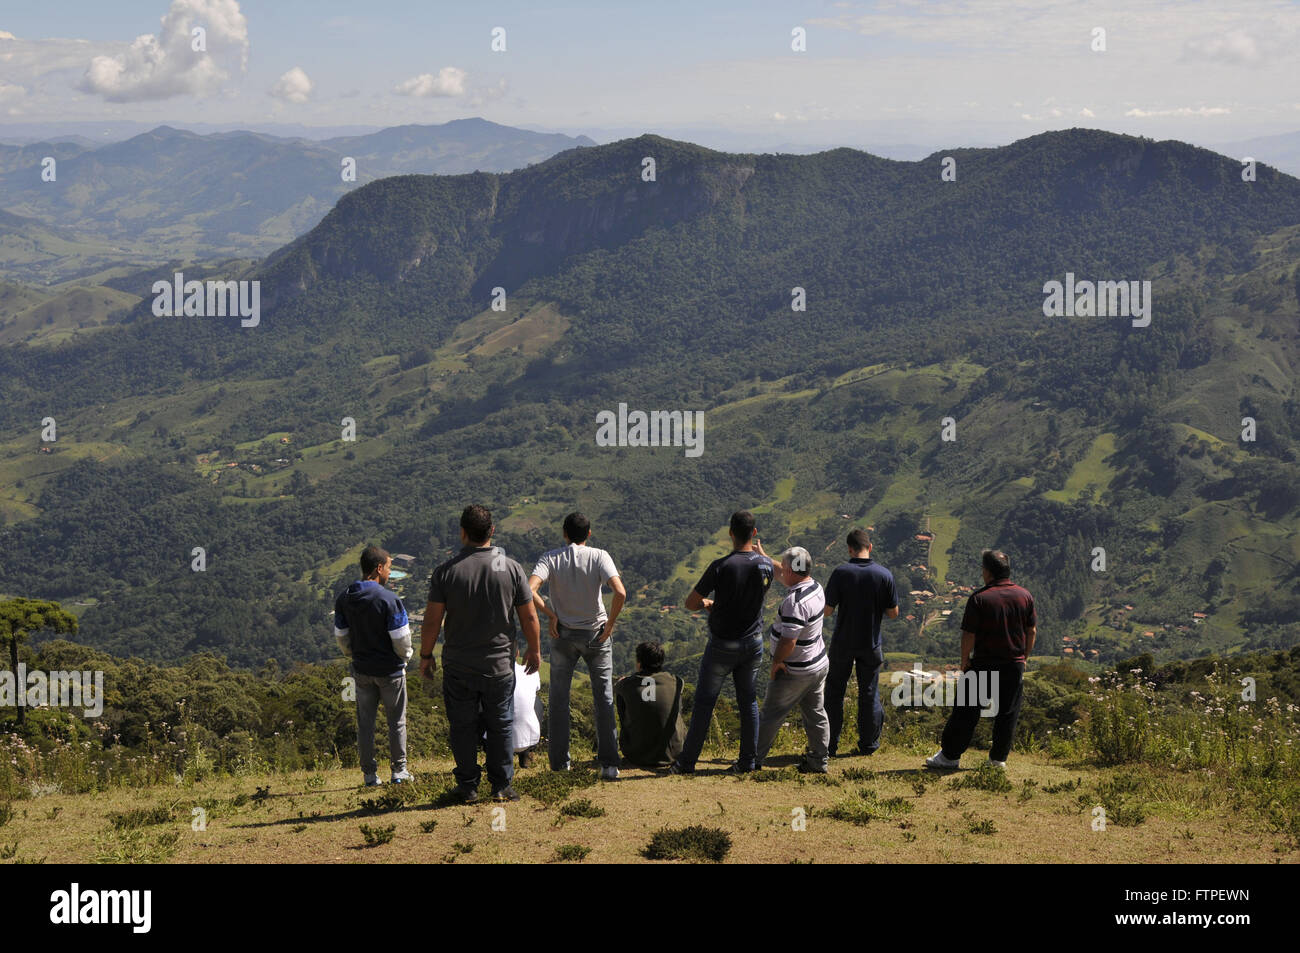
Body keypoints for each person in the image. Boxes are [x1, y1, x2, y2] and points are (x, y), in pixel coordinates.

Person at [421, 505, 541, 803]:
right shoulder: (510, 568)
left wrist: (425, 655)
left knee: (462, 726)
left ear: (462, 533)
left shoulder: (446, 572)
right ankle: (501, 786)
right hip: (499, 664)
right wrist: (535, 649)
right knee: (500, 723)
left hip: (459, 664)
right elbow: (528, 618)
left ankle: (467, 786)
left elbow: (432, 620)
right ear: (492, 532)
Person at [671, 510, 774, 774]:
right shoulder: (765, 566)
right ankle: (748, 762)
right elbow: (750, 600)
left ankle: (687, 762)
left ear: (730, 533)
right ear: (754, 533)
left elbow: (691, 603)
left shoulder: (721, 566)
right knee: (748, 701)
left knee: (705, 702)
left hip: (722, 645)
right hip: (753, 643)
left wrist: (710, 605)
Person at [529, 512, 625, 780]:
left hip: (563, 636)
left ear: (564, 533)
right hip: (597, 634)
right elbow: (620, 592)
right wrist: (611, 623)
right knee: (604, 699)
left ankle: (560, 765)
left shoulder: (551, 557)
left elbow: (529, 589)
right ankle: (609, 764)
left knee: (559, 700)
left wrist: (551, 614)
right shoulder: (600, 556)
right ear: (589, 534)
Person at [927, 550, 1036, 771]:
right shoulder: (1024, 596)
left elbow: (969, 634)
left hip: (984, 663)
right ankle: (997, 760)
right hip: (1013, 663)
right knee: (1007, 712)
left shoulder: (979, 598)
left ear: (987, 572)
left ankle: (949, 757)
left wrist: (964, 660)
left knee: (966, 711)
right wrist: (1023, 658)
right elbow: (1031, 630)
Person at [333, 544, 413, 786]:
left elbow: (342, 636)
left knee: (365, 724)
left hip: (362, 670)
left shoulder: (345, 598)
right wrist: (405, 658)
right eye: (388, 568)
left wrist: (354, 656)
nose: (389, 573)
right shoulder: (389, 599)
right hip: (390, 671)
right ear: (378, 569)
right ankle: (399, 771)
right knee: (396, 722)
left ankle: (369, 775)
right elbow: (401, 639)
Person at [822, 528, 900, 757]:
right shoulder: (884, 575)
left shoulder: (841, 573)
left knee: (834, 692)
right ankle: (868, 744)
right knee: (869, 692)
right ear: (870, 547)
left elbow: (827, 611)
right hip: (871, 642)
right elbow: (893, 613)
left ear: (849, 549)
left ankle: (829, 745)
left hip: (843, 642)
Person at [756, 547, 831, 773]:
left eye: (783, 566)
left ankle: (751, 759)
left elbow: (788, 641)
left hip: (795, 670)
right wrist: (765, 557)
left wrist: (776, 662)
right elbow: (783, 573)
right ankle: (819, 761)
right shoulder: (815, 587)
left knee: (771, 715)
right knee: (816, 714)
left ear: (790, 570)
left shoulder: (794, 602)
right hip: (817, 665)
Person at [614, 641, 686, 768]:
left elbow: (616, 688)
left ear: (639, 662)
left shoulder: (626, 684)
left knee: (622, 699)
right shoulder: (677, 681)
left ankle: (632, 738)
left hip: (635, 754)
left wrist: (622, 682)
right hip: (674, 753)